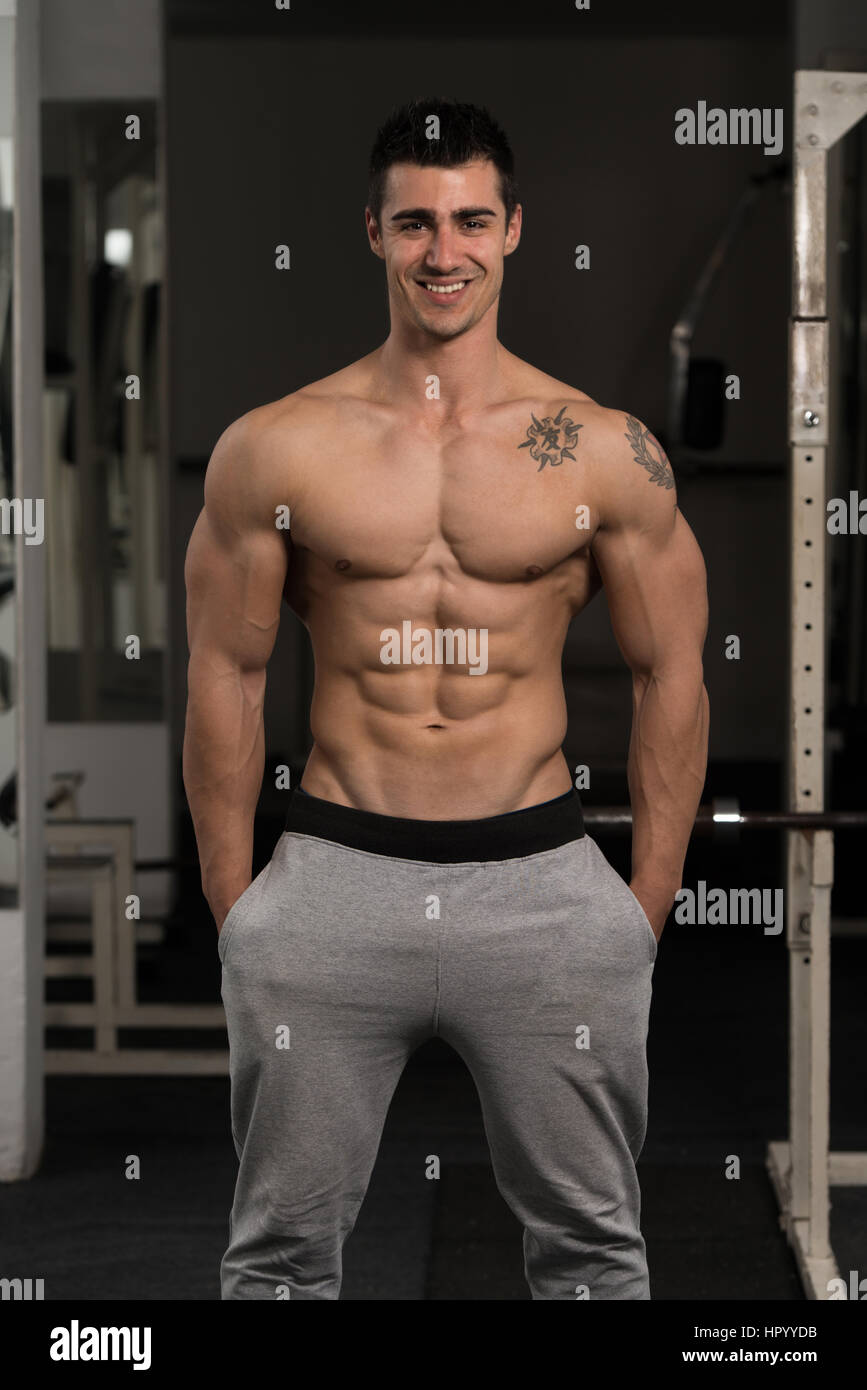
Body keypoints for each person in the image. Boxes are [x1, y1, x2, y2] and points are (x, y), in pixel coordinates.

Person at [183, 97, 709, 1300]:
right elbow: (229, 671)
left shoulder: (598, 449)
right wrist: (235, 910)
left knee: (592, 1255)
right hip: (333, 879)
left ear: (515, 230)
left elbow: (669, 669)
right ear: (373, 232)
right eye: (415, 222)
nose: (444, 251)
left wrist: (645, 906)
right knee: (275, 1259)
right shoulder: (277, 447)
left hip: (541, 883)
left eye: (472, 220)